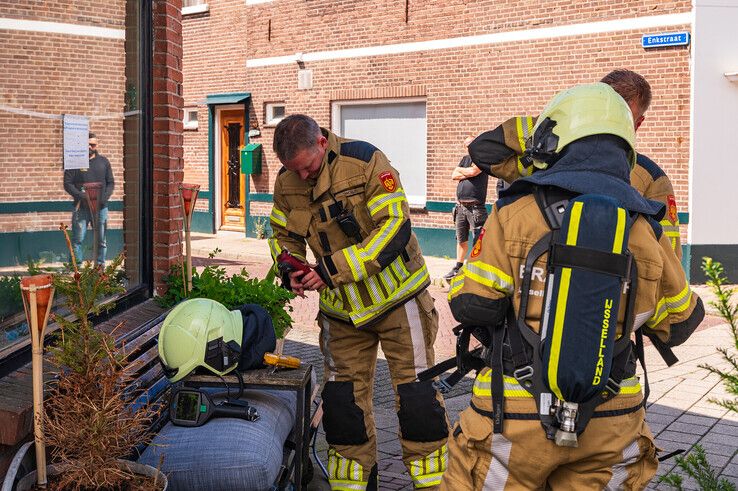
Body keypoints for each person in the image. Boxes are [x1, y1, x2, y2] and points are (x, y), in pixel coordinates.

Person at [442, 83, 704, 490]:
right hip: (611, 420)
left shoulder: (515, 211)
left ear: (555, 138)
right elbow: (682, 323)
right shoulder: (643, 226)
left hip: (515, 413)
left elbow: (474, 305)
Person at [268, 115, 448, 490]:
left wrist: (331, 270)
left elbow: (395, 226)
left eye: (307, 167)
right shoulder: (287, 181)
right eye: (292, 170)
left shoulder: (365, 161)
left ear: (321, 142)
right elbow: (282, 234)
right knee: (343, 408)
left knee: (417, 401)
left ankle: (434, 485)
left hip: (399, 301)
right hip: (341, 313)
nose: (301, 177)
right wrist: (289, 267)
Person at [468, 69, 683, 260]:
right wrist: (555, 128)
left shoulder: (650, 178)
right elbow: (483, 150)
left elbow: (665, 259)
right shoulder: (551, 151)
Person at [63, 132, 115, 264]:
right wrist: (82, 196)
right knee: (78, 239)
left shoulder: (104, 162)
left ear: (96, 145)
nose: (90, 147)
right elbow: (67, 183)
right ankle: (76, 268)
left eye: (93, 144)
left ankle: (100, 267)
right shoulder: (74, 162)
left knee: (101, 240)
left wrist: (104, 198)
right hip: (81, 208)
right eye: (87, 144)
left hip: (101, 208)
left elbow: (110, 182)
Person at [443, 136, 489, 281]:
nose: (469, 148)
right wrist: (464, 171)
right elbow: (453, 175)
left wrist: (462, 172)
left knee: (479, 240)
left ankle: (477, 268)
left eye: (471, 144)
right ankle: (458, 267)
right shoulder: (465, 159)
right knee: (461, 239)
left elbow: (474, 172)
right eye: (467, 146)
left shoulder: (482, 158)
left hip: (476, 208)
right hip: (461, 206)